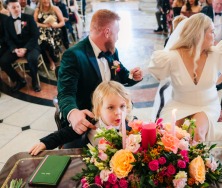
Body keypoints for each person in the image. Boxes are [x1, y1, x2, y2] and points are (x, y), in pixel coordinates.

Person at [148, 13, 222, 142]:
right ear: (199, 34)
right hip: (179, 104)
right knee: (170, 134)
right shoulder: (172, 57)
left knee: (197, 132)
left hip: (207, 105)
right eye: (212, 32)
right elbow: (159, 76)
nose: (215, 35)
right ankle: (177, 162)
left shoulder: (217, 53)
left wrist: (215, 83)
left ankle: (200, 162)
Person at [57, 9, 143, 144]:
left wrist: (133, 77)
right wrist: (73, 113)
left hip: (114, 115)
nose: (118, 37)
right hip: (88, 120)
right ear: (107, 32)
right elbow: (65, 93)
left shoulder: (111, 50)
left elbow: (122, 75)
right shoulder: (73, 55)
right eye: (117, 33)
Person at [29, 81, 132, 155]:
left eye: (122, 106)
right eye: (110, 107)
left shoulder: (131, 124)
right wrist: (45, 143)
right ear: (99, 109)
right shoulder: (89, 123)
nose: (119, 112)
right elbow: (63, 134)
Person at [0, 0, 41, 92]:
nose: (17, 9)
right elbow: (7, 38)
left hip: (31, 46)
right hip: (16, 48)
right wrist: (14, 49)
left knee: (32, 59)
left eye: (18, 6)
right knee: (3, 61)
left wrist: (25, 48)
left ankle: (35, 81)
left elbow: (35, 35)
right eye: (13, 7)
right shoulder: (7, 21)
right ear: (8, 8)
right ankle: (19, 80)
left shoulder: (29, 18)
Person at [34, 0, 65, 71]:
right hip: (42, 31)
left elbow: (62, 22)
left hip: (54, 30)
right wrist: (45, 25)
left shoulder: (55, 8)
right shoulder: (37, 10)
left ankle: (55, 57)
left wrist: (55, 26)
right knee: (43, 39)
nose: (46, 1)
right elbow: (35, 23)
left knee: (49, 38)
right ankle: (51, 61)